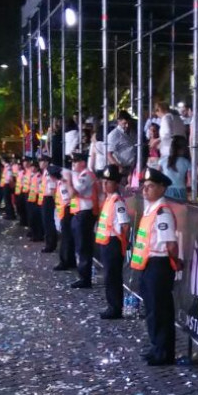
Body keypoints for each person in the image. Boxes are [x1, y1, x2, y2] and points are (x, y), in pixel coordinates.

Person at [130, 167, 180, 365]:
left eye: (151, 187)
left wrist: (175, 263)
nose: (145, 190)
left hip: (159, 264)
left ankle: (164, 352)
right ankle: (156, 346)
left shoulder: (162, 212)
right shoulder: (151, 209)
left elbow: (171, 244)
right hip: (148, 264)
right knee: (152, 309)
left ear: (162, 188)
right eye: (145, 186)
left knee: (160, 311)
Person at [94, 165, 130, 319]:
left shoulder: (117, 202)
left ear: (115, 184)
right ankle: (112, 305)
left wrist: (123, 241)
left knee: (113, 276)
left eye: (108, 182)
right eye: (104, 181)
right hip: (106, 242)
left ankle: (115, 308)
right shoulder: (109, 200)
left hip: (113, 243)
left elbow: (125, 225)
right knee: (109, 276)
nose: (104, 184)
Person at [69, 152, 98, 288]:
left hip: (86, 214)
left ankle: (85, 278)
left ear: (83, 162)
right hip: (78, 213)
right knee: (80, 246)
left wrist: (69, 179)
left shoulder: (87, 175)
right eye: (72, 162)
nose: (73, 164)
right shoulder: (79, 175)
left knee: (84, 246)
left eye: (76, 161)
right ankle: (82, 275)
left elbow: (75, 191)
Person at [53, 162, 77, 272]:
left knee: (66, 238)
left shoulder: (62, 184)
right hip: (65, 211)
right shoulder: (61, 183)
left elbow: (67, 200)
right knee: (68, 238)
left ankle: (65, 261)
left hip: (66, 212)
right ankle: (70, 260)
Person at [158, 135, 192, 202]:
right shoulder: (186, 162)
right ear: (184, 148)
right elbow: (190, 182)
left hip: (166, 191)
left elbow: (157, 178)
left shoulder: (162, 161)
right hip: (181, 192)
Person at [39, 156, 58, 253]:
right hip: (45, 198)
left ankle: (50, 244)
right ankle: (49, 243)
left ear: (46, 162)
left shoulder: (50, 171)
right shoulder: (46, 171)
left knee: (48, 222)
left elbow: (52, 188)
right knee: (46, 222)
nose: (40, 163)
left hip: (49, 198)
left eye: (41, 161)